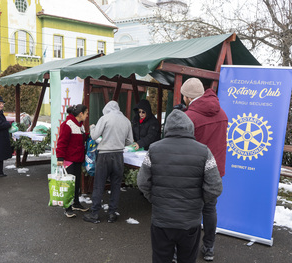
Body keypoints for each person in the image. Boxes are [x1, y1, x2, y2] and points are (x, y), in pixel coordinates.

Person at [137, 110, 223, 263]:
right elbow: (215, 187)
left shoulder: (154, 149)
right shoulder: (204, 152)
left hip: (161, 221)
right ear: (190, 127)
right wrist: (197, 202)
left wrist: (156, 199)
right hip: (190, 222)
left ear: (166, 128)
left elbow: (142, 182)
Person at [181, 77, 228, 261]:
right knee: (209, 210)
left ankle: (185, 250)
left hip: (193, 172)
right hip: (215, 171)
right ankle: (209, 248)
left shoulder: (189, 117)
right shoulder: (222, 113)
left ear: (187, 96)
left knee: (188, 211)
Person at [83, 100, 133, 224]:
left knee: (99, 184)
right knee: (116, 185)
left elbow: (94, 136)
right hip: (118, 156)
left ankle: (94, 214)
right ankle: (112, 214)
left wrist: (92, 127)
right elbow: (130, 141)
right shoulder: (126, 120)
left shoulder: (105, 118)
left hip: (104, 156)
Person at [56, 104, 90, 218]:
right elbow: (61, 142)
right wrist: (60, 158)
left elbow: (82, 138)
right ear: (81, 114)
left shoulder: (80, 125)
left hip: (78, 159)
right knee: (69, 185)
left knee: (76, 184)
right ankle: (67, 207)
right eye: (86, 113)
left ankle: (76, 203)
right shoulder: (67, 125)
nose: (87, 115)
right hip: (69, 160)